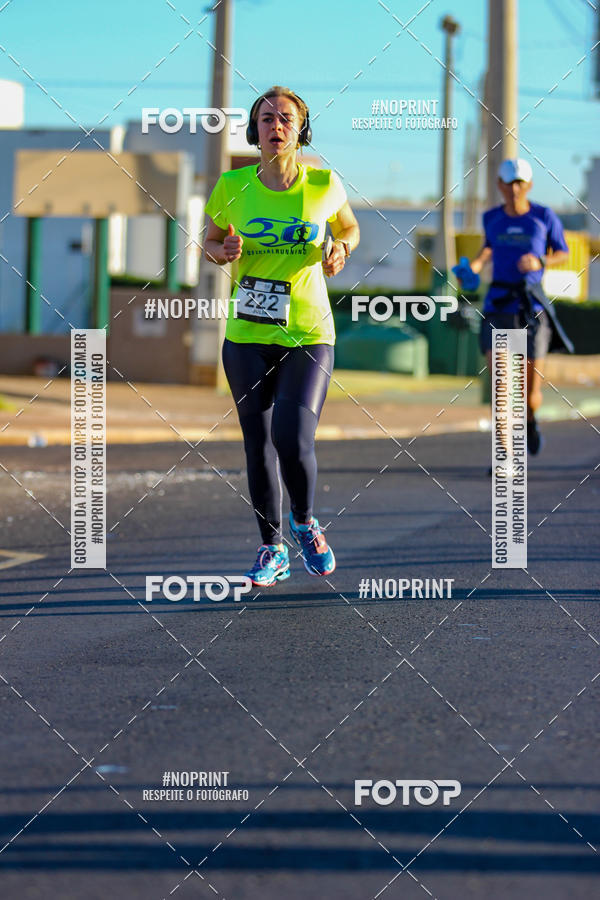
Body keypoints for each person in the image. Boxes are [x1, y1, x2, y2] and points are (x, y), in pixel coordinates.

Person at [203, 85, 360, 586]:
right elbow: (209, 239)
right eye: (266, 118)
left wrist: (341, 250)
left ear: (301, 129)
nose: (276, 126)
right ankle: (272, 549)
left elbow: (350, 229)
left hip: (308, 331)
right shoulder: (231, 186)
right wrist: (221, 250)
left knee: (291, 437)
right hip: (247, 332)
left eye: (286, 118)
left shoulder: (323, 184)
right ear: (254, 130)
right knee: (257, 443)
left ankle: (305, 523)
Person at [458, 158, 573, 460]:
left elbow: (563, 252)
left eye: (520, 182)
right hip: (498, 304)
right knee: (500, 385)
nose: (514, 188)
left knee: (529, 395)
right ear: (499, 185)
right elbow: (488, 248)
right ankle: (504, 453)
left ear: (529, 185)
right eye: (508, 182)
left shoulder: (543, 216)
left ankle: (531, 419)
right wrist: (474, 266)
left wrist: (541, 261)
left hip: (532, 307)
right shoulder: (491, 218)